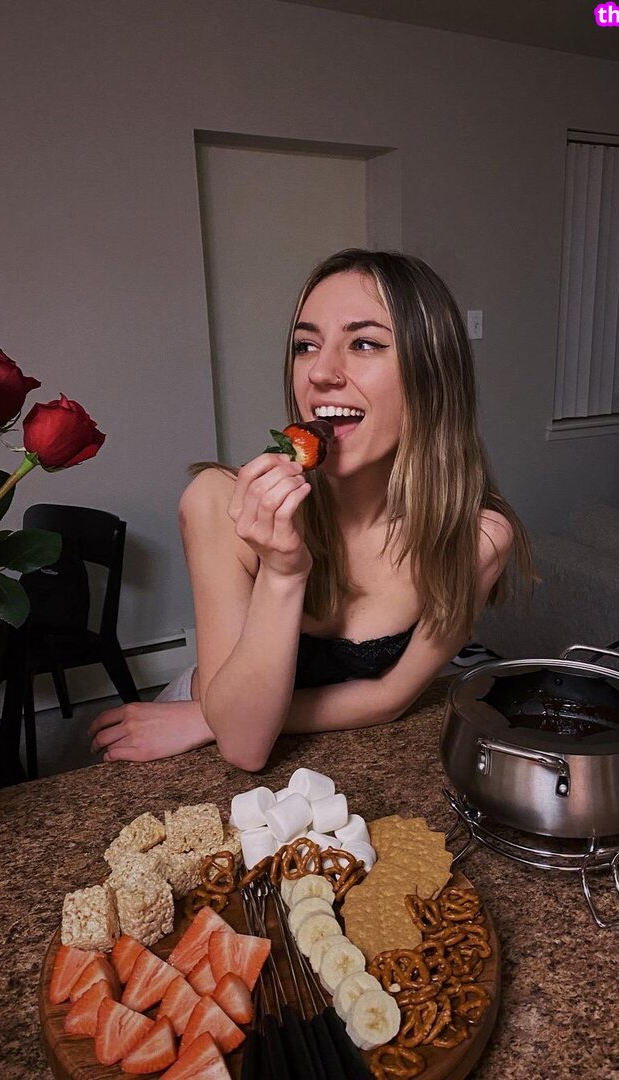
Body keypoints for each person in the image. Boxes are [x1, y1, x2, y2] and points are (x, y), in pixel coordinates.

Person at [88, 249, 531, 771]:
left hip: (206, 720)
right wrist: (282, 572)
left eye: (364, 343)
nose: (320, 372)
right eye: (306, 345)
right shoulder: (217, 503)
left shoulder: (476, 539)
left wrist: (204, 719)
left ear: (432, 376)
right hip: (209, 727)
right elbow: (245, 746)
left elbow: (390, 697)